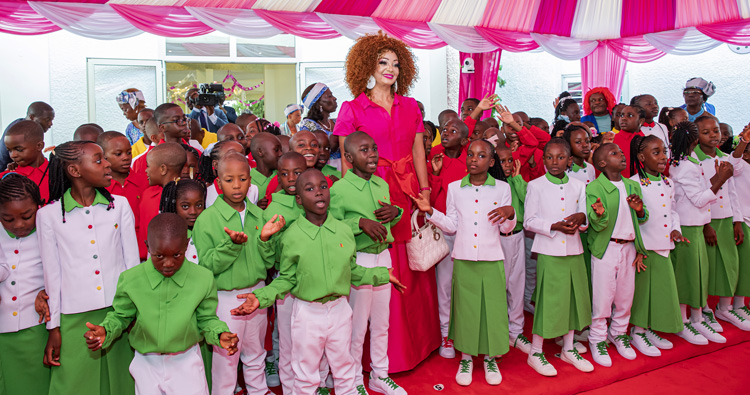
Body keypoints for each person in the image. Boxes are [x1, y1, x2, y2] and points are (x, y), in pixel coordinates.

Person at [232, 169, 405, 394]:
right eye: (310, 189)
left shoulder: (343, 231)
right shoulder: (292, 236)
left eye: (323, 187)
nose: (319, 193)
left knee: (344, 370)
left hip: (340, 310)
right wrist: (261, 297)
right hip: (307, 314)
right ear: (299, 199)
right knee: (306, 376)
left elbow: (352, 270)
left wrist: (383, 275)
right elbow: (286, 278)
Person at [333, 31, 439, 372]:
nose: (390, 68)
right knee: (375, 261)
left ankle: (416, 346)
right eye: (383, 62)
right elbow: (346, 159)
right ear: (368, 65)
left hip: (406, 192)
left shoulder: (410, 106)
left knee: (411, 264)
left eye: (395, 63)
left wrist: (424, 190)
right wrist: (357, 201)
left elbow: (418, 150)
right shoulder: (351, 107)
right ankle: (373, 359)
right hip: (369, 193)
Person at [83, 213, 239, 395]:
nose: (168, 263)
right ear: (147, 247)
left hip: (186, 360)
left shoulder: (203, 278)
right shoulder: (131, 279)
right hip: (146, 362)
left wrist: (220, 333)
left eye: (177, 254)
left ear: (187, 246)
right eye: (159, 256)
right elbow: (121, 316)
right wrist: (106, 330)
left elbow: (206, 319)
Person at [38, 140, 138, 394]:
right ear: (74, 171)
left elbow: (132, 266)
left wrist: (135, 312)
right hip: (74, 317)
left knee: (122, 382)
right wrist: (54, 328)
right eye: (98, 160)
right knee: (75, 383)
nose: (107, 164)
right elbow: (53, 273)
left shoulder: (120, 205)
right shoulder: (48, 215)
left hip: (119, 312)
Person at [412, 139, 516, 386]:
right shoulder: (455, 188)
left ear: (491, 163)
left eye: (481, 156)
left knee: (493, 310)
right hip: (464, 257)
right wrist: (430, 212)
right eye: (470, 154)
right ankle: (467, 358)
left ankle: (491, 357)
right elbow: (452, 226)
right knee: (466, 309)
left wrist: (510, 214)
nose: (473, 159)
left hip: (492, 259)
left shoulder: (502, 188)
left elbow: (506, 229)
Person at [193, 151, 280, 395]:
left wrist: (264, 239)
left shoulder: (259, 215)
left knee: (255, 353)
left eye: (242, 179)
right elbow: (206, 267)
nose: (237, 185)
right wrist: (231, 246)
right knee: (227, 359)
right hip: (226, 298)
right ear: (218, 183)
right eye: (229, 180)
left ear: (250, 180)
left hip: (258, 293)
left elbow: (269, 261)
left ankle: (259, 390)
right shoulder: (207, 219)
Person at [330, 131, 406, 394]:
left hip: (383, 257)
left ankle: (379, 374)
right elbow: (331, 227)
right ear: (349, 158)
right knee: (356, 326)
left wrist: (397, 212)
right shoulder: (339, 189)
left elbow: (390, 214)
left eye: (374, 148)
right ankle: (352, 380)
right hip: (359, 260)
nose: (372, 153)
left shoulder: (380, 184)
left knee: (382, 322)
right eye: (364, 150)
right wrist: (359, 223)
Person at [524, 139, 592, 376]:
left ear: (569, 160)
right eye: (550, 157)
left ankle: (569, 348)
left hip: (574, 251)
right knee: (548, 301)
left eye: (560, 157)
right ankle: (536, 351)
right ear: (543, 160)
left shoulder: (578, 186)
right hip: (549, 251)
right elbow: (529, 221)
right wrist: (553, 226)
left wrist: (581, 219)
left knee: (573, 299)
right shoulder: (536, 185)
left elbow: (585, 221)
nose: (555, 162)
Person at [586, 143, 648, 367]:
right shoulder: (595, 188)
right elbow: (596, 224)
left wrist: (640, 209)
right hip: (607, 248)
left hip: (629, 247)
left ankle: (619, 333)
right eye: (614, 154)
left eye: (621, 153)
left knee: (625, 296)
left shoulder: (632, 185)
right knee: (603, 297)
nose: (621, 156)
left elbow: (642, 217)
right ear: (602, 163)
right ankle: (597, 338)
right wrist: (600, 215)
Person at [668, 121, 729, 344]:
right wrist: (721, 179)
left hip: (696, 224)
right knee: (687, 275)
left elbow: (702, 191)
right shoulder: (685, 166)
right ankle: (684, 322)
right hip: (686, 225)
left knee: (698, 273)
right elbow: (699, 198)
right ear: (695, 140)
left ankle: (696, 318)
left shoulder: (689, 161)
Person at [627, 135, 686, 357]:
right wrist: (639, 248)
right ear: (642, 157)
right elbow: (634, 219)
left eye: (664, 151)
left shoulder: (668, 182)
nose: (663, 156)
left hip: (664, 245)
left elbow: (672, 211)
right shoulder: (634, 183)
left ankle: (649, 328)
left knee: (660, 290)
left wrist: (675, 229)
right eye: (656, 152)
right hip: (645, 248)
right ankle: (638, 331)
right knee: (643, 293)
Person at [690, 115, 750, 331]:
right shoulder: (693, 162)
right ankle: (705, 309)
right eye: (706, 132)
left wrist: (737, 221)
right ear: (696, 137)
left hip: (726, 219)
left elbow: (732, 192)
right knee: (706, 268)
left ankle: (725, 307)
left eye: (715, 130)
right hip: (707, 221)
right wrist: (706, 224)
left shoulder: (725, 156)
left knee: (730, 264)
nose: (713, 135)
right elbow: (697, 196)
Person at [0, 174, 51, 395]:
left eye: (27, 216)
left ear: (39, 207)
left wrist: (45, 290)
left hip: (36, 326)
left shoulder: (48, 231)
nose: (18, 225)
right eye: (7, 219)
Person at [261, 152, 306, 394]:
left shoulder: (310, 199)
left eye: (297, 173)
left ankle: (309, 383)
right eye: (284, 174)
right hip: (286, 279)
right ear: (277, 177)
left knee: (308, 337)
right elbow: (268, 253)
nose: (291, 178)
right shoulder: (274, 209)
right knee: (286, 337)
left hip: (311, 279)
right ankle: (289, 386)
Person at [428, 118, 469, 359]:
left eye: (453, 131)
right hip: (442, 230)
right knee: (444, 286)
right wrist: (434, 175)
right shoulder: (435, 155)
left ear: (464, 140)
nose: (445, 133)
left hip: (467, 232)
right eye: (444, 130)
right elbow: (430, 200)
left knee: (465, 286)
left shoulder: (470, 159)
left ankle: (466, 332)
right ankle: (446, 335)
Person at [496, 145, 531, 354]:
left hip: (517, 236)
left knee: (517, 285)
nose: (508, 165)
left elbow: (528, 205)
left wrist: (518, 179)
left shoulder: (515, 182)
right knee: (500, 286)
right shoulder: (493, 186)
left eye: (510, 160)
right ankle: (500, 329)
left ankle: (516, 331)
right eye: (502, 161)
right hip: (498, 240)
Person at [139, 142, 186, 261]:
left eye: (148, 166)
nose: (146, 170)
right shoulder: (147, 194)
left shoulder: (186, 196)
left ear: (163, 169)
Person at [98, 131, 144, 245]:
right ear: (103, 156)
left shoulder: (144, 181)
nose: (126, 158)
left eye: (129, 152)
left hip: (142, 249)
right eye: (118, 154)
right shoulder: (99, 187)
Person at [1, 120, 50, 203]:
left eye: (19, 149)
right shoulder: (6, 179)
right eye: (9, 150)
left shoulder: (57, 173)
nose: (13, 155)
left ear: (39, 146)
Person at [200, 140, 259, 207]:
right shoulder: (208, 194)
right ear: (216, 164)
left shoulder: (253, 190)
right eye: (231, 156)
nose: (238, 160)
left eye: (242, 155)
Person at [0, 101, 54, 171]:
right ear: (32, 117)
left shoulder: (30, 130)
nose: (50, 124)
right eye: (47, 120)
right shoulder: (19, 131)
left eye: (52, 120)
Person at [300, 83, 341, 170]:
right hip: (322, 169)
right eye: (330, 96)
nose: (335, 98)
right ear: (318, 104)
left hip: (343, 166)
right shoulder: (308, 125)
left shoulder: (336, 122)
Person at [732, 122, 750, 319]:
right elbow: (734, 161)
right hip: (744, 219)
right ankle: (737, 305)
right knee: (745, 266)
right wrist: (744, 142)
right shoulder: (740, 165)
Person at [632, 95, 671, 161]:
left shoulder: (662, 127)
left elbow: (667, 149)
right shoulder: (634, 129)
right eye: (649, 104)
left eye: (656, 103)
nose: (655, 106)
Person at [250, 133, 282, 209]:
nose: (281, 154)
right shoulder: (248, 181)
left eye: (281, 150)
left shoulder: (281, 177)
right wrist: (256, 207)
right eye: (276, 150)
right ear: (260, 152)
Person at [613, 105, 646, 178]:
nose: (623, 118)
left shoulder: (646, 140)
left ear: (641, 121)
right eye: (622, 115)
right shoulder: (612, 139)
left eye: (630, 115)